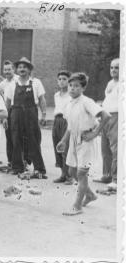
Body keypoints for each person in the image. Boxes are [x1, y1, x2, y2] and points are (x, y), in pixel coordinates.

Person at [57, 72, 110, 216]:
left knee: (81, 174)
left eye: (76, 86)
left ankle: (77, 206)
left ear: (83, 88)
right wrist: (63, 140)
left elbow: (106, 116)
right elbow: (70, 125)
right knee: (72, 172)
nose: (72, 88)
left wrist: (95, 133)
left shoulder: (86, 101)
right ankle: (90, 195)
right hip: (74, 140)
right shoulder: (69, 103)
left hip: (86, 140)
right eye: (70, 85)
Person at [6, 57, 46, 177]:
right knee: (16, 139)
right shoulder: (12, 84)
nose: (22, 69)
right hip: (16, 113)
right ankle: (17, 167)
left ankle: (39, 168)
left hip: (31, 113)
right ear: (17, 70)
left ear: (29, 70)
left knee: (33, 140)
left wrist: (43, 114)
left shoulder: (36, 82)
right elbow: (8, 102)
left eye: (25, 67)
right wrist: (4, 117)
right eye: (20, 67)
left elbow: (41, 99)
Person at [93, 58, 119, 189]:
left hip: (117, 117)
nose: (113, 70)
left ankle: (116, 179)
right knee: (105, 148)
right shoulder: (110, 83)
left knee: (116, 149)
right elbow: (107, 100)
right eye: (112, 67)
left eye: (117, 68)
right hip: (106, 117)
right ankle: (106, 175)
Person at [52, 70, 73, 184]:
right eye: (59, 79)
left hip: (67, 121)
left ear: (69, 81)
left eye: (64, 79)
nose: (61, 81)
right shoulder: (56, 95)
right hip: (57, 120)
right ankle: (63, 174)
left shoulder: (71, 95)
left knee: (66, 147)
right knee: (57, 147)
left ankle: (70, 176)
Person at [0, 60, 18, 169]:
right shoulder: (2, 84)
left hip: (18, 110)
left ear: (13, 69)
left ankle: (21, 161)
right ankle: (10, 161)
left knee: (18, 137)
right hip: (7, 111)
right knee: (9, 137)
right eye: (5, 70)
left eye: (9, 69)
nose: (7, 71)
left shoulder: (19, 80)